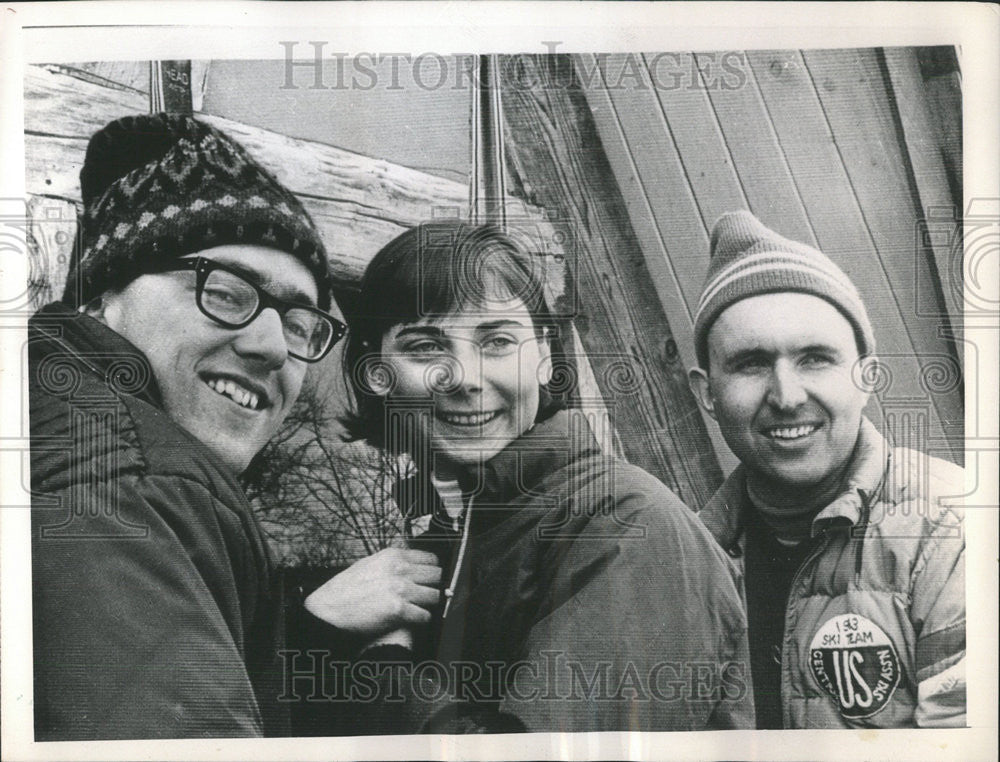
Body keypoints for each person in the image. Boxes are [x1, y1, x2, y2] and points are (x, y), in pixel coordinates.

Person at [303, 221, 754, 733]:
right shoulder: (449, 539)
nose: (465, 378)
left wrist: (379, 666)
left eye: (496, 341)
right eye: (425, 347)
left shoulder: (627, 526)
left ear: (544, 355)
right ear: (377, 373)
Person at [28, 113, 359, 739]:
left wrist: (312, 632)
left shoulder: (56, 426)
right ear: (100, 300)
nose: (273, 347)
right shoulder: (131, 479)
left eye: (300, 323)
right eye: (228, 292)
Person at [687, 210, 966, 728]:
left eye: (815, 358)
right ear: (707, 393)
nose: (787, 397)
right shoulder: (689, 555)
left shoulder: (953, 532)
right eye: (751, 363)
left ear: (866, 375)